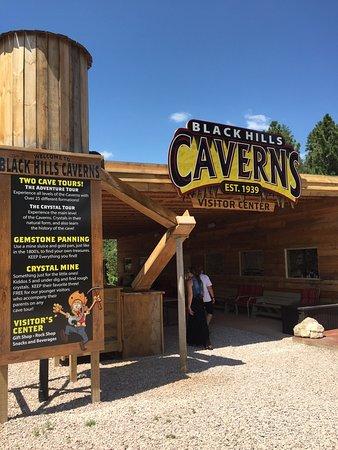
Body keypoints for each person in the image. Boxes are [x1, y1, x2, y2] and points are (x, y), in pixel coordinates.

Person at [186, 267, 212, 350]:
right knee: (202, 321)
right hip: (200, 301)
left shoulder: (190, 281)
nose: (187, 274)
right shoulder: (200, 280)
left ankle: (194, 341)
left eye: (188, 272)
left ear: (191, 273)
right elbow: (203, 292)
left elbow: (190, 295)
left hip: (194, 302)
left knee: (193, 321)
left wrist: (189, 306)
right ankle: (205, 342)